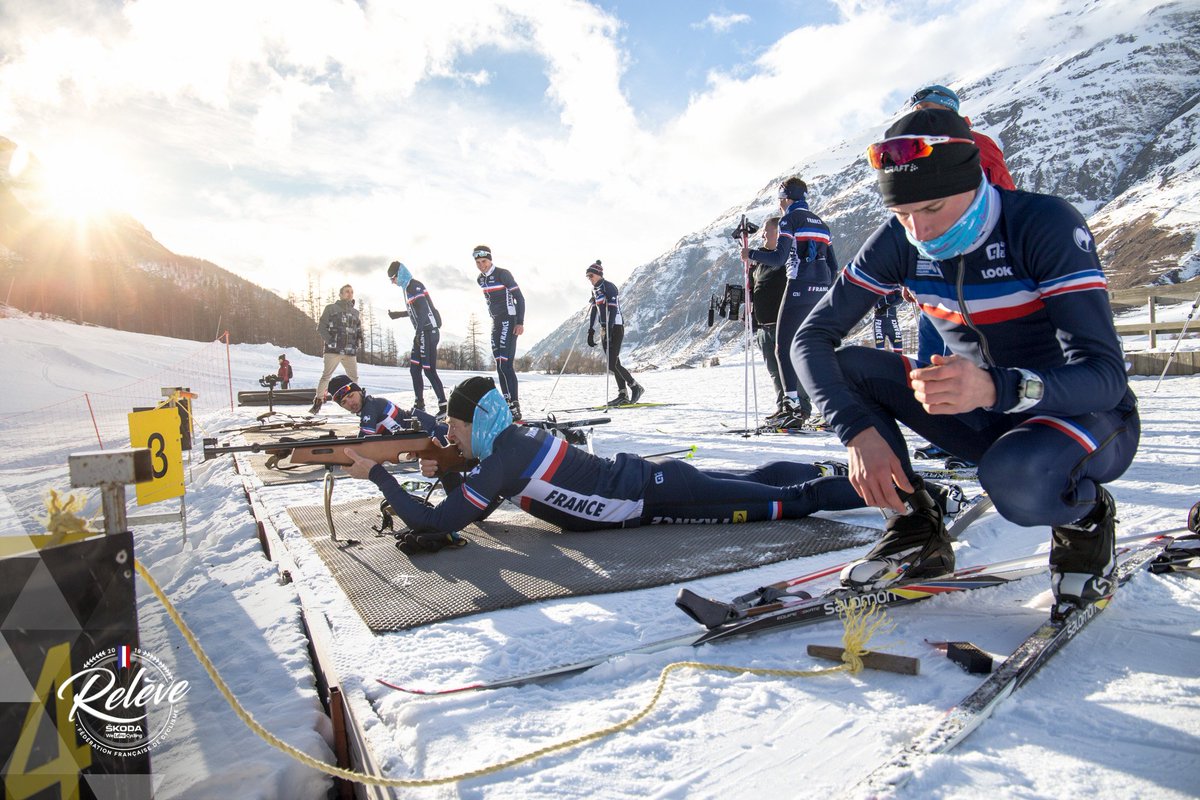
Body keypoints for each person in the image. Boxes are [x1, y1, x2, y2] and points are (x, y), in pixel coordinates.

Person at [793, 107, 1138, 620]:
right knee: (849, 370)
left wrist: (997, 388)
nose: (920, 229)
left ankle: (1084, 519)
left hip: (1085, 415)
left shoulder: (1041, 224)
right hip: (989, 413)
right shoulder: (899, 240)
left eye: (932, 207)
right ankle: (915, 526)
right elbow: (812, 337)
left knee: (1015, 481)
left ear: (973, 179)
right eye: (904, 214)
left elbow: (1106, 377)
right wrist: (856, 432)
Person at [343, 376, 880, 545]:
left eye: (458, 429)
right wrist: (450, 468)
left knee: (786, 504)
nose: (453, 437)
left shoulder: (504, 458)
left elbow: (441, 519)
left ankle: (893, 491)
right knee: (754, 479)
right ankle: (836, 473)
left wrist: (379, 475)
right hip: (651, 483)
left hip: (656, 495)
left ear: (479, 423)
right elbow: (476, 502)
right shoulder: (508, 448)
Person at [742, 177, 836, 429]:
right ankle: (831, 406)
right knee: (812, 349)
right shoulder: (822, 223)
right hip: (820, 289)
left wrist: (749, 254)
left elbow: (780, 258)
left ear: (785, 199)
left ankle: (792, 406)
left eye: (780, 200)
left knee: (783, 348)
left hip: (799, 286)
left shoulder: (789, 219)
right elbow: (833, 265)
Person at [386, 261, 448, 417]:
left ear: (400, 274)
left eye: (393, 278)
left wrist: (418, 333)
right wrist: (398, 314)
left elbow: (424, 310)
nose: (392, 282)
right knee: (414, 369)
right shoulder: (407, 288)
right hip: (422, 332)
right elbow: (414, 310)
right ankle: (419, 403)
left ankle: (444, 406)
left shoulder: (414, 285)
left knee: (428, 370)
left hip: (428, 331)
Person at [473, 245, 526, 420]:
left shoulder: (503, 274)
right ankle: (507, 403)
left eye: (484, 261)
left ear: (490, 260)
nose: (482, 265)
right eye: (478, 262)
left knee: (506, 365)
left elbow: (520, 298)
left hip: (508, 320)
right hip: (495, 323)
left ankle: (515, 405)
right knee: (499, 366)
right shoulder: (481, 279)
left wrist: (519, 322)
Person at [585, 260, 644, 406]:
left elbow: (611, 310)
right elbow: (594, 310)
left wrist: (610, 329)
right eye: (587, 277)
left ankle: (635, 386)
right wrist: (591, 331)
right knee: (614, 363)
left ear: (598, 274)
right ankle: (622, 394)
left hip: (616, 326)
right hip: (604, 328)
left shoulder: (609, 287)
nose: (589, 279)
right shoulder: (595, 290)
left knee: (612, 363)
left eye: (591, 275)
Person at [747, 216, 788, 420]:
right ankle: (782, 407)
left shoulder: (787, 259)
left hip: (783, 325)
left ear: (779, 234)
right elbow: (753, 291)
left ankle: (799, 409)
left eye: (767, 231)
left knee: (790, 371)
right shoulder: (759, 263)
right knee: (774, 371)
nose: (763, 234)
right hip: (764, 327)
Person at [326, 375, 444, 439]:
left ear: (360, 391)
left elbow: (363, 442)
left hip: (433, 434)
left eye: (351, 395)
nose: (350, 403)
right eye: (344, 402)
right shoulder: (370, 406)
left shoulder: (371, 405)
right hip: (426, 434)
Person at [310, 284, 363, 415]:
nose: (349, 294)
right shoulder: (331, 309)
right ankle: (318, 402)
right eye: (346, 292)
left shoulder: (355, 312)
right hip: (333, 351)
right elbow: (321, 327)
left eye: (351, 292)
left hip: (350, 351)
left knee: (353, 378)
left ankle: (357, 404)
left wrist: (358, 342)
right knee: (326, 376)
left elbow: (359, 330)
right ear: (340, 294)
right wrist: (330, 341)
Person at [872, 290, 904, 354]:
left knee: (898, 347)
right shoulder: (874, 285)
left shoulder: (894, 285)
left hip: (892, 321)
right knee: (879, 350)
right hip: (879, 321)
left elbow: (900, 299)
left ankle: (897, 363)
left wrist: (888, 306)